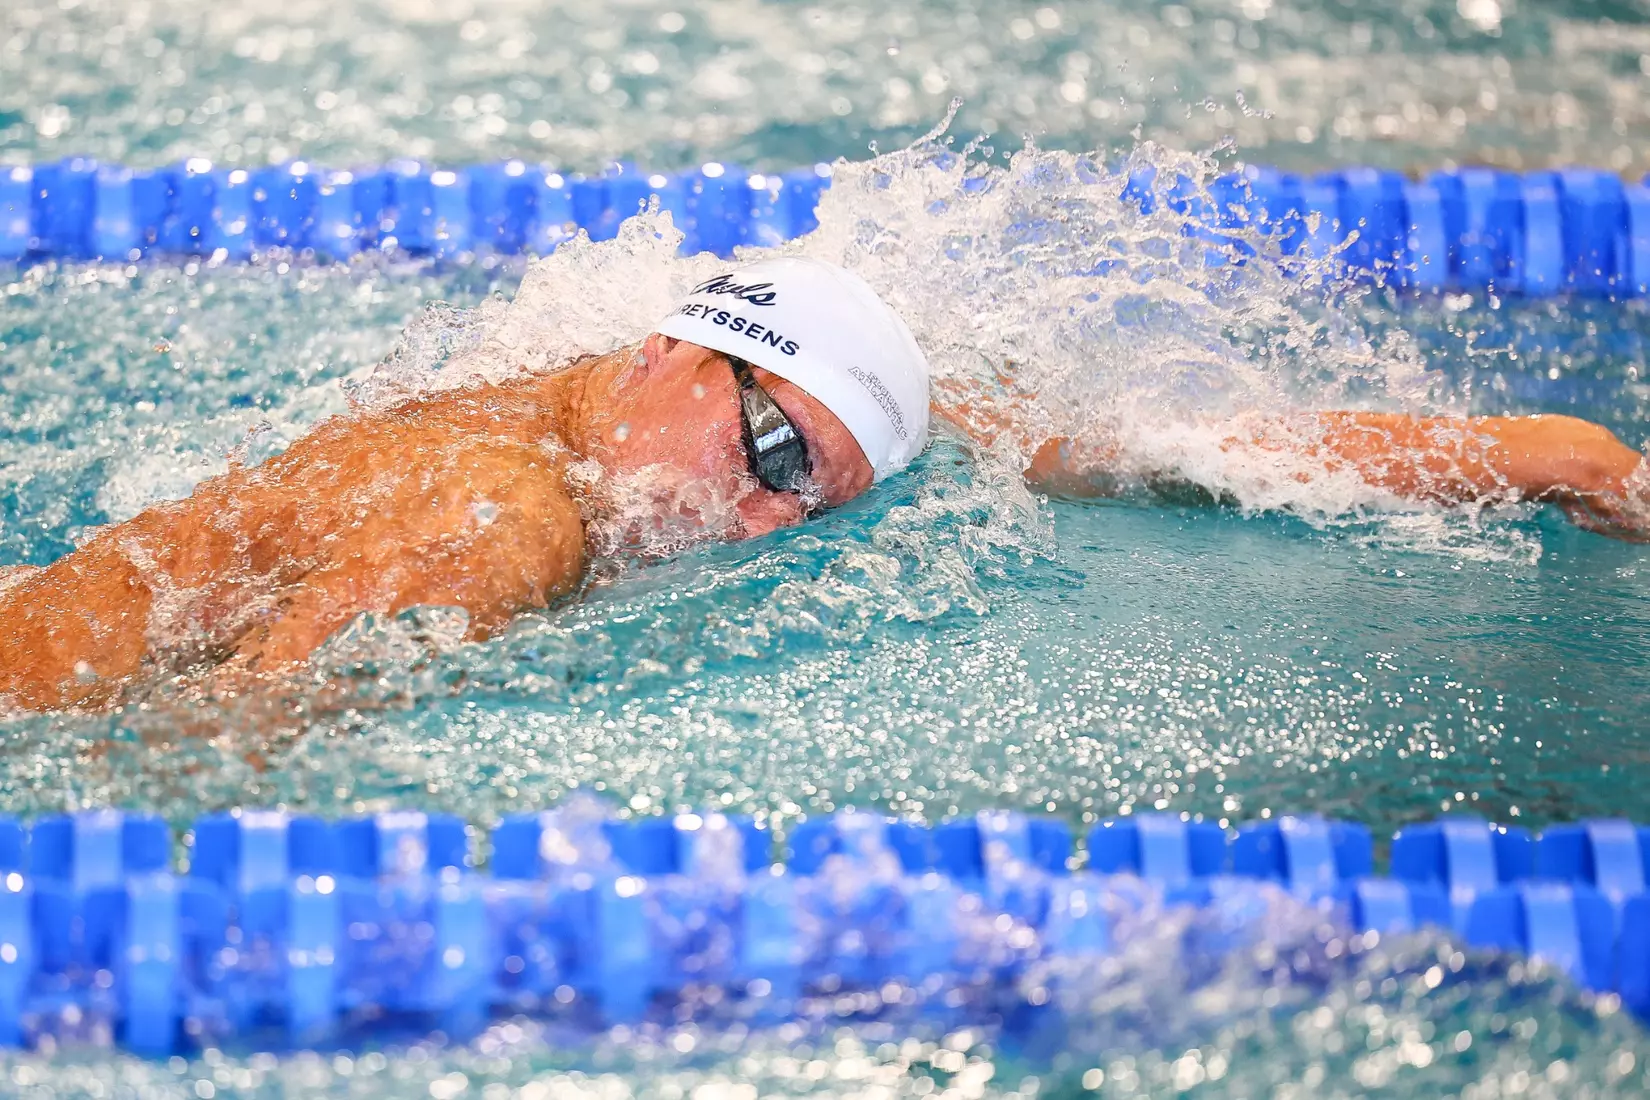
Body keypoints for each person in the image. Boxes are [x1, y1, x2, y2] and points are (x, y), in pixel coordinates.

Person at [0, 257, 1644, 712]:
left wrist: (1555, 456)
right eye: (773, 450)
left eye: (819, 495)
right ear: (667, 353)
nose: (768, 509)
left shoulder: (613, 398)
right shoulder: (512, 516)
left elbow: (1119, 443)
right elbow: (207, 746)